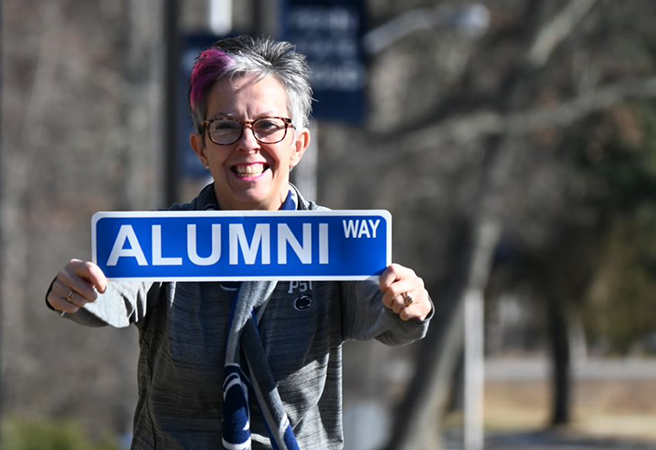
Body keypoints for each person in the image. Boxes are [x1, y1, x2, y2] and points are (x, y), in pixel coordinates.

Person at [46, 35, 433, 450]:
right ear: (201, 149)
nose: (248, 144)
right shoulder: (165, 236)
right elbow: (115, 289)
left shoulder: (333, 238)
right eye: (226, 127)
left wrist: (409, 303)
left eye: (267, 125)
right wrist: (78, 292)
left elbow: (382, 314)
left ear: (299, 145)